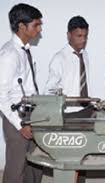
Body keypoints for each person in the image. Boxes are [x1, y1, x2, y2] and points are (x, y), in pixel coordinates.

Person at [0, 3, 43, 183]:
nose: (40, 29)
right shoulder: (9, 54)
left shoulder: (24, 51)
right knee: (15, 171)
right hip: (17, 118)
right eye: (36, 25)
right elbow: (1, 95)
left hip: (30, 115)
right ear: (21, 26)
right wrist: (20, 124)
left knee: (34, 168)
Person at [44, 16, 93, 116]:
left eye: (85, 36)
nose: (83, 40)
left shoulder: (84, 54)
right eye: (79, 36)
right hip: (68, 112)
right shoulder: (59, 59)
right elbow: (48, 90)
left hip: (87, 109)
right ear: (69, 35)